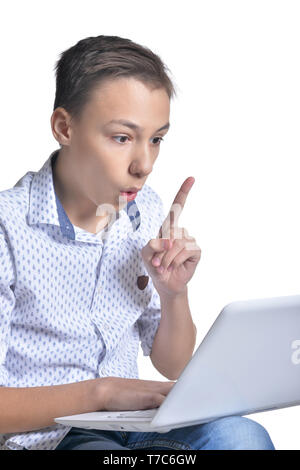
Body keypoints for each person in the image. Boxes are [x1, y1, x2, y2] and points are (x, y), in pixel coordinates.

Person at [0, 35, 275, 450]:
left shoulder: (144, 210)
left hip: (140, 422)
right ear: (64, 127)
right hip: (53, 437)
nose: (144, 165)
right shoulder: (8, 227)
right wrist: (103, 393)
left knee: (243, 436)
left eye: (156, 139)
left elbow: (173, 364)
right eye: (122, 137)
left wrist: (173, 294)